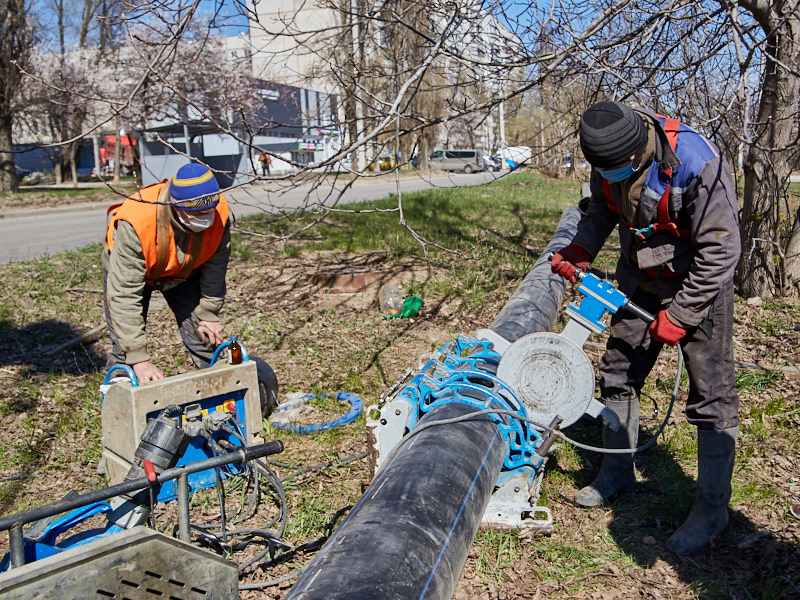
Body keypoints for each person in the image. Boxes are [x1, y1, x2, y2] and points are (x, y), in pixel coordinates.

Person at [550, 101, 741, 556]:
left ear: (638, 154)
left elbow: (721, 251)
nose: (609, 176)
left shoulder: (698, 163)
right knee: (617, 371)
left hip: (698, 286)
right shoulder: (607, 160)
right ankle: (617, 471)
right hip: (639, 280)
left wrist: (681, 315)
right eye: (603, 170)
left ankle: (713, 509)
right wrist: (581, 249)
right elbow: (601, 209)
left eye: (618, 169)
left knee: (711, 396)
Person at [103, 163, 232, 383]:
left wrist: (209, 312)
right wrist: (138, 357)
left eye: (208, 211)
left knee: (204, 337)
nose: (206, 218)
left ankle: (220, 397)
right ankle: (121, 398)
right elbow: (124, 293)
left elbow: (216, 266)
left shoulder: (219, 213)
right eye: (197, 213)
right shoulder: (137, 220)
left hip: (182, 269)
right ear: (176, 206)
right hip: (133, 272)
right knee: (124, 352)